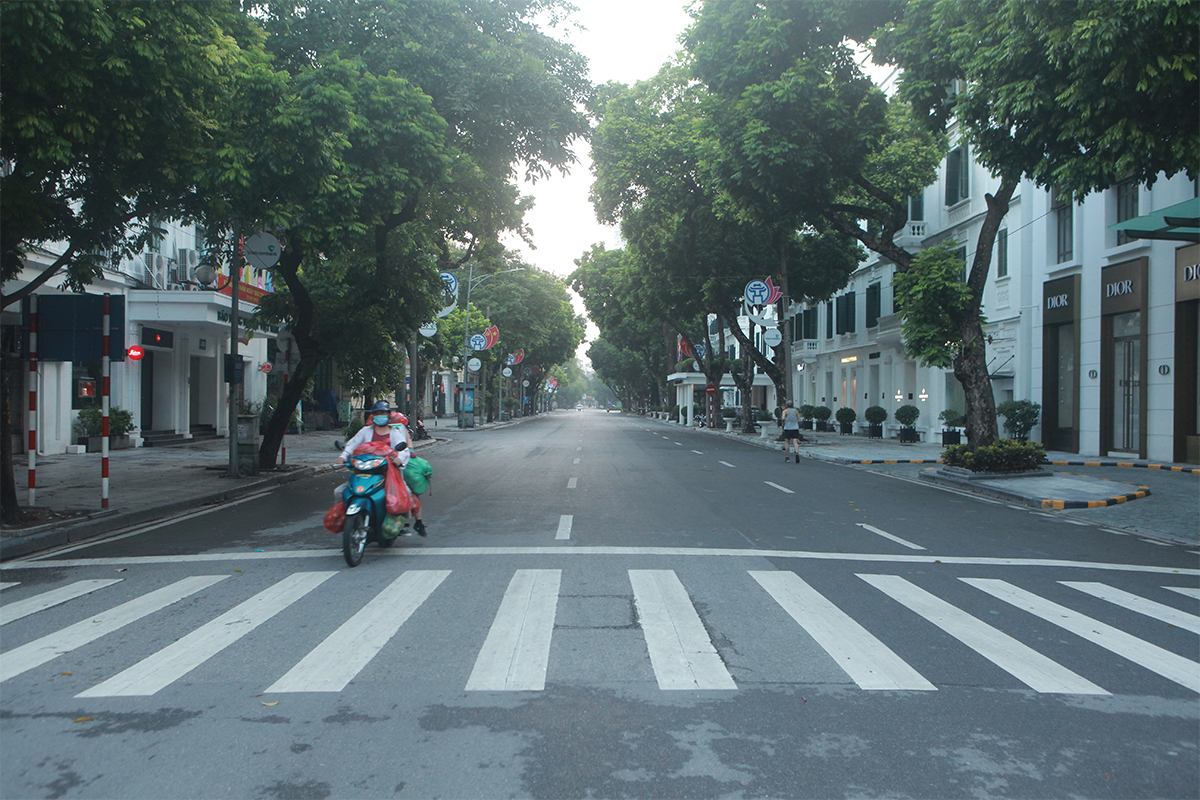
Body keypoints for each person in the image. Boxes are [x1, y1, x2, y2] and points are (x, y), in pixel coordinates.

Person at [334, 401, 411, 515]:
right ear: (373, 416)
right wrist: (343, 457)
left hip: (387, 472)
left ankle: (402, 523)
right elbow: (352, 445)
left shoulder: (394, 433)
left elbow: (403, 449)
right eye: (377, 413)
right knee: (339, 492)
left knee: (405, 492)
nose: (380, 415)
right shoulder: (365, 431)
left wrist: (399, 459)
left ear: (388, 415)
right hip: (364, 471)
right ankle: (341, 517)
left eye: (383, 413)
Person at [388, 411, 428, 537]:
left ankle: (418, 522)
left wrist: (409, 451)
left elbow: (407, 441)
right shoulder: (370, 430)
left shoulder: (397, 428)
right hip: (379, 463)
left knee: (408, 491)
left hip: (398, 462)